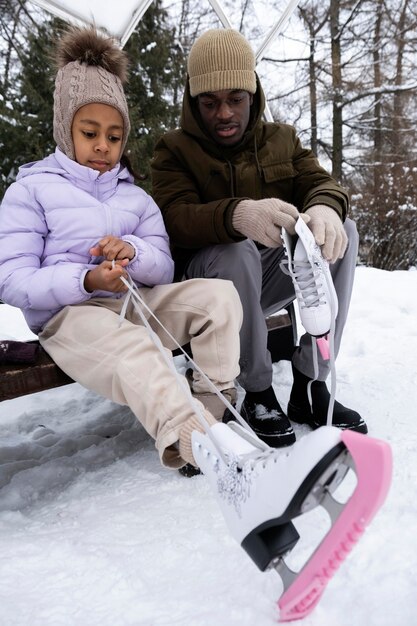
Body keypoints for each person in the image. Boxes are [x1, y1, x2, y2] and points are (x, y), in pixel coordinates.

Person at [0, 25, 243, 472]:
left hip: (133, 303)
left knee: (218, 297)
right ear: (65, 129)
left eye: (114, 137)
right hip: (69, 319)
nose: (102, 146)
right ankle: (194, 442)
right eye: (89, 132)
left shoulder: (135, 197)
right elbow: (11, 279)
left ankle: (212, 410)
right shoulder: (31, 191)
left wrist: (132, 251)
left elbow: (164, 267)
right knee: (134, 347)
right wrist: (86, 279)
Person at [151, 28, 368, 448]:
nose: (225, 113)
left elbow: (322, 184)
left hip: (268, 278)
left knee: (343, 232)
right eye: (210, 103)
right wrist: (237, 214)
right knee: (235, 249)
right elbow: (173, 218)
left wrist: (324, 208)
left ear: (253, 94)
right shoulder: (173, 150)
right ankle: (257, 389)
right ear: (193, 103)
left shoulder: (281, 140)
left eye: (236, 99)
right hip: (209, 288)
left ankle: (311, 383)